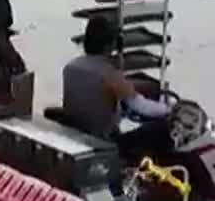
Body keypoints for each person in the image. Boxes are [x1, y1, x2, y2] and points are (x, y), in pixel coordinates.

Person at [62, 14, 172, 157]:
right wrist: (169, 110)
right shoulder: (110, 74)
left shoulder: (71, 67)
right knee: (161, 128)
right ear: (111, 44)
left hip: (77, 132)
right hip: (103, 141)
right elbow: (142, 107)